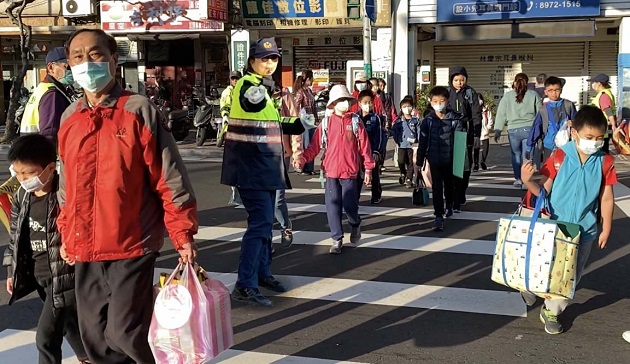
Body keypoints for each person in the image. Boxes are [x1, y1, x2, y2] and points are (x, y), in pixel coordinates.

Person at [59, 29, 198, 364]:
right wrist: (66, 233)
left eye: (94, 54)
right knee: (93, 335)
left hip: (131, 243)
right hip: (84, 246)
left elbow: (169, 178)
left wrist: (182, 234)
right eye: (77, 56)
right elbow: (67, 188)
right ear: (69, 64)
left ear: (113, 60)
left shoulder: (138, 110)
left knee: (124, 332)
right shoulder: (70, 118)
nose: (86, 62)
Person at [221, 37, 313, 307]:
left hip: (266, 165)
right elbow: (250, 104)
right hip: (251, 166)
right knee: (260, 224)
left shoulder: (263, 89)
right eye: (264, 59)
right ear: (251, 62)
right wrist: (262, 89)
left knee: (264, 224)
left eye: (273, 58)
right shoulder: (248, 86)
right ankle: (244, 284)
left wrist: (299, 123)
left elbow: (273, 121)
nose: (270, 63)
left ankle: (262, 273)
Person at [520, 105, 616, 335]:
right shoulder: (560, 156)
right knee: (544, 265)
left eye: (599, 138)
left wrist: (606, 228)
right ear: (574, 133)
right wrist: (527, 181)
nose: (594, 142)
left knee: (570, 274)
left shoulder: (605, 162)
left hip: (584, 229)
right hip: (553, 225)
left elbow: (607, 199)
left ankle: (552, 310)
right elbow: (541, 190)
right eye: (589, 137)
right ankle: (532, 287)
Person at [3, 135, 89, 364]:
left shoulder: (63, 193)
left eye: (28, 174)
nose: (22, 179)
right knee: (69, 321)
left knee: (46, 337)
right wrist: (12, 269)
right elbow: (15, 234)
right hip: (38, 271)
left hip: (63, 274)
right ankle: (88, 357)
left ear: (50, 168)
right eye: (17, 173)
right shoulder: (22, 194)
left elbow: (81, 226)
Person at [296, 85, 374, 254]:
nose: (344, 103)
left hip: (350, 171)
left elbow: (365, 148)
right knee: (333, 206)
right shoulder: (326, 123)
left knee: (350, 205)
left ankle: (355, 224)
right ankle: (336, 238)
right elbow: (315, 146)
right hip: (331, 171)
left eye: (345, 99)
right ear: (333, 103)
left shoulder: (355, 122)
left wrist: (368, 169)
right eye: (340, 100)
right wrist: (303, 158)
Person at [416, 86, 465, 231]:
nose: (439, 104)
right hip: (434, 159)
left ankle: (449, 204)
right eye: (435, 101)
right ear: (430, 102)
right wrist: (420, 161)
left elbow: (460, 142)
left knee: (449, 186)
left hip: (450, 159)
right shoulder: (428, 121)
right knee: (437, 187)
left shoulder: (455, 119)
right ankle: (438, 215)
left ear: (447, 101)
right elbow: (423, 142)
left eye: (442, 101)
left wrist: (460, 162)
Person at [494, 73, 542, 188]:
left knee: (516, 155)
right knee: (527, 155)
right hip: (529, 129)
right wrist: (541, 130)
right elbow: (540, 113)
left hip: (513, 130)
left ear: (515, 83)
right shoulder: (533, 95)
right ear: (527, 83)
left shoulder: (507, 96)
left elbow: (501, 114)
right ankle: (527, 181)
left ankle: (518, 179)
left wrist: (497, 130)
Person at [273, 74, 304, 251]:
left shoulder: (285, 96)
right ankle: (265, 240)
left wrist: (297, 153)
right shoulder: (254, 95)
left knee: (277, 199)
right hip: (259, 155)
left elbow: (296, 126)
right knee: (262, 201)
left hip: (281, 153)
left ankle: (285, 227)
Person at [20, 47, 75, 145]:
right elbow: (50, 134)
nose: (73, 72)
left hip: (31, 152)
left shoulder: (43, 88)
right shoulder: (52, 95)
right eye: (68, 67)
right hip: (40, 154)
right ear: (51, 68)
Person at [526, 76, 577, 163]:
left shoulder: (568, 105)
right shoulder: (543, 110)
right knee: (549, 172)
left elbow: (578, 122)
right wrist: (529, 147)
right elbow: (536, 128)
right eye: (550, 90)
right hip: (548, 146)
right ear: (546, 92)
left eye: (557, 90)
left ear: (561, 90)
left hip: (566, 146)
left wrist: (574, 123)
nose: (554, 93)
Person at [357, 90, 386, 204]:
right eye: (365, 102)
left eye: (370, 102)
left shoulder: (376, 118)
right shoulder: (355, 118)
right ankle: (355, 195)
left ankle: (376, 194)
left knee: (374, 174)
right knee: (358, 175)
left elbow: (379, 136)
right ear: (359, 103)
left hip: (371, 151)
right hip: (358, 152)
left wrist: (376, 151)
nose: (368, 105)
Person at [294, 70, 318, 175]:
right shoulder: (300, 92)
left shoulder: (309, 91)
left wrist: (316, 118)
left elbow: (313, 107)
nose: (313, 80)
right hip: (304, 121)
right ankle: (303, 166)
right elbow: (295, 106)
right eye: (312, 78)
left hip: (311, 120)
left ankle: (310, 167)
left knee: (311, 144)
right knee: (305, 143)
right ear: (308, 79)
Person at [392, 97, 420, 187]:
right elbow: (394, 132)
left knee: (411, 162)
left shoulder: (415, 121)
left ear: (412, 107)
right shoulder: (399, 122)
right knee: (401, 161)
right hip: (402, 145)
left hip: (412, 146)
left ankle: (409, 178)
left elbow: (419, 131)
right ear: (401, 108)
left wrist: (418, 141)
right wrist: (397, 141)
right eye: (404, 106)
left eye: (409, 106)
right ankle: (403, 173)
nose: (407, 108)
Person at [588, 73, 617, 153]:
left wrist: (613, 124)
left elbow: (608, 111)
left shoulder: (604, 95)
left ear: (599, 83)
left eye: (594, 82)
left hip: (602, 128)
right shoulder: (606, 93)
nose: (593, 85)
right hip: (602, 127)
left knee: (601, 151)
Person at [218, 70, 242, 145]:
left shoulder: (243, 91)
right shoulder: (227, 92)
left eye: (237, 78)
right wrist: (225, 115)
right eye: (233, 78)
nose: (235, 80)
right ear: (230, 79)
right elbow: (225, 106)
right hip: (231, 123)